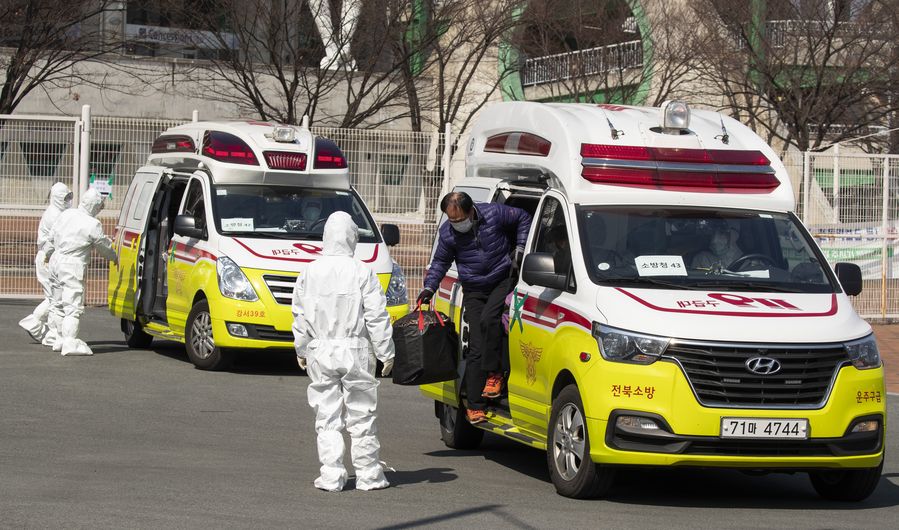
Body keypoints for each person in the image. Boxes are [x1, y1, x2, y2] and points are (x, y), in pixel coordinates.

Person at [291, 211, 395, 492]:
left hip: (320, 348)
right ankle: (369, 475)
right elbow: (376, 315)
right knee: (362, 415)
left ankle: (331, 475)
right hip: (355, 349)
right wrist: (386, 352)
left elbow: (299, 314)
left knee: (326, 416)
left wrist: (302, 347)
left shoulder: (309, 271)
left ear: (326, 237)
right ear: (352, 237)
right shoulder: (362, 271)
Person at [418, 192, 531, 425]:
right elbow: (440, 262)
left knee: (490, 320)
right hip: (474, 288)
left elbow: (523, 217)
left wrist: (520, 247)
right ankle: (475, 406)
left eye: (460, 220)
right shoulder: (448, 233)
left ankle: (495, 374)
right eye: (452, 220)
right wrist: (429, 288)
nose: (457, 224)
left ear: (471, 211)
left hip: (502, 278)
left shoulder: (493, 213)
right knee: (476, 346)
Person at [44, 188, 118, 356]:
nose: (100, 209)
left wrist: (47, 254)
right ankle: (70, 342)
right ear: (95, 206)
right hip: (72, 265)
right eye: (100, 206)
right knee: (72, 307)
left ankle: (59, 338)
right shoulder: (93, 224)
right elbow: (104, 246)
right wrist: (114, 257)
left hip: (56, 260)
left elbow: (51, 237)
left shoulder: (66, 214)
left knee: (57, 303)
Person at [18, 182, 72, 342]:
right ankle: (40, 326)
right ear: (57, 198)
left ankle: (47, 330)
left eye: (69, 197)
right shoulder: (54, 215)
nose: (67, 201)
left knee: (54, 297)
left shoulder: (58, 212)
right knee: (55, 298)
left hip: (49, 258)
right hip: (47, 258)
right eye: (65, 197)